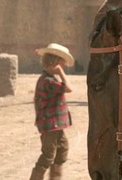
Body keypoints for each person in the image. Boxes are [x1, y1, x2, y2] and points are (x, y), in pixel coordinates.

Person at [30, 43, 75, 180]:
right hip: (50, 126)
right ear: (55, 63)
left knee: (62, 150)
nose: (65, 66)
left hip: (56, 125)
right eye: (62, 63)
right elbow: (69, 88)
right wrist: (61, 72)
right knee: (48, 156)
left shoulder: (50, 80)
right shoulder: (47, 81)